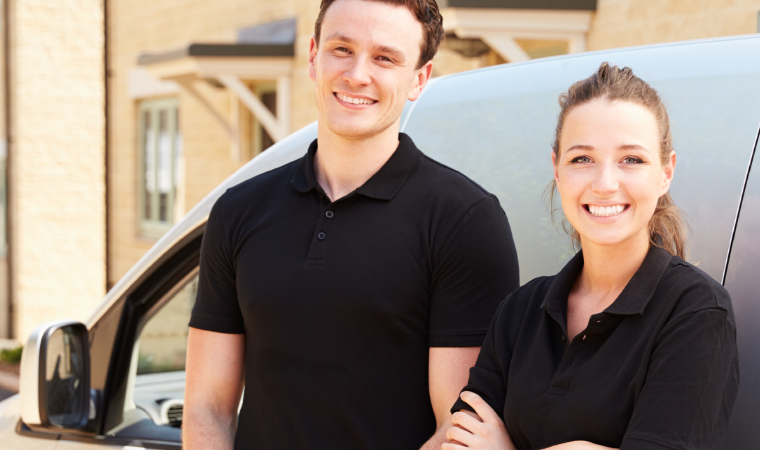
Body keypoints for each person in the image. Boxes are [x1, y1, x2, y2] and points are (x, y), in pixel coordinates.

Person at [182, 0, 520, 448]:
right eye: (342, 49)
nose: (358, 74)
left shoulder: (465, 220)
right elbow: (207, 407)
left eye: (385, 58)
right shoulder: (238, 210)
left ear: (419, 78)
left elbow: (458, 430)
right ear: (313, 56)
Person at [443, 63, 740, 450]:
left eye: (631, 159)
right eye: (582, 159)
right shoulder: (520, 310)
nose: (605, 184)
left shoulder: (696, 312)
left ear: (665, 172)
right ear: (557, 170)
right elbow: (462, 441)